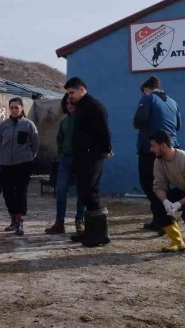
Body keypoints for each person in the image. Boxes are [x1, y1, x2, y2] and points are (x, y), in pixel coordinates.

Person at [65, 77, 114, 247]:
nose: (70, 96)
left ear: (81, 89)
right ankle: (90, 232)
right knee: (84, 192)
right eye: (68, 93)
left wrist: (107, 149)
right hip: (83, 156)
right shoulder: (83, 106)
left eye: (72, 92)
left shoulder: (94, 106)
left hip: (92, 156)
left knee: (89, 193)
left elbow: (105, 130)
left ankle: (102, 234)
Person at [133, 75, 181, 234]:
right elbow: (178, 125)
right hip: (171, 149)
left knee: (149, 184)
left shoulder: (148, 98)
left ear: (145, 89)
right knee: (162, 184)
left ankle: (164, 221)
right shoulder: (173, 102)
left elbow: (139, 121)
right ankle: (158, 219)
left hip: (150, 149)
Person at [0, 97, 39, 236]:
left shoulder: (28, 125)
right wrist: (4, 155)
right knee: (8, 193)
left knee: (21, 192)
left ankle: (20, 221)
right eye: (12, 108)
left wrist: (29, 157)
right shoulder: (3, 125)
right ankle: (13, 218)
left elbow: (35, 143)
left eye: (17, 107)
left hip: (23, 164)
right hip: (6, 164)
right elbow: (0, 142)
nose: (14, 110)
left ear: (21, 108)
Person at [45, 93, 86, 235]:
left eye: (72, 103)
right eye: (67, 103)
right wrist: (61, 153)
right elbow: (59, 139)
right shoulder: (64, 121)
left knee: (82, 190)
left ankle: (80, 220)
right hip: (66, 160)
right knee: (61, 189)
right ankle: (59, 223)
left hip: (82, 160)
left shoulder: (84, 119)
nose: (70, 106)